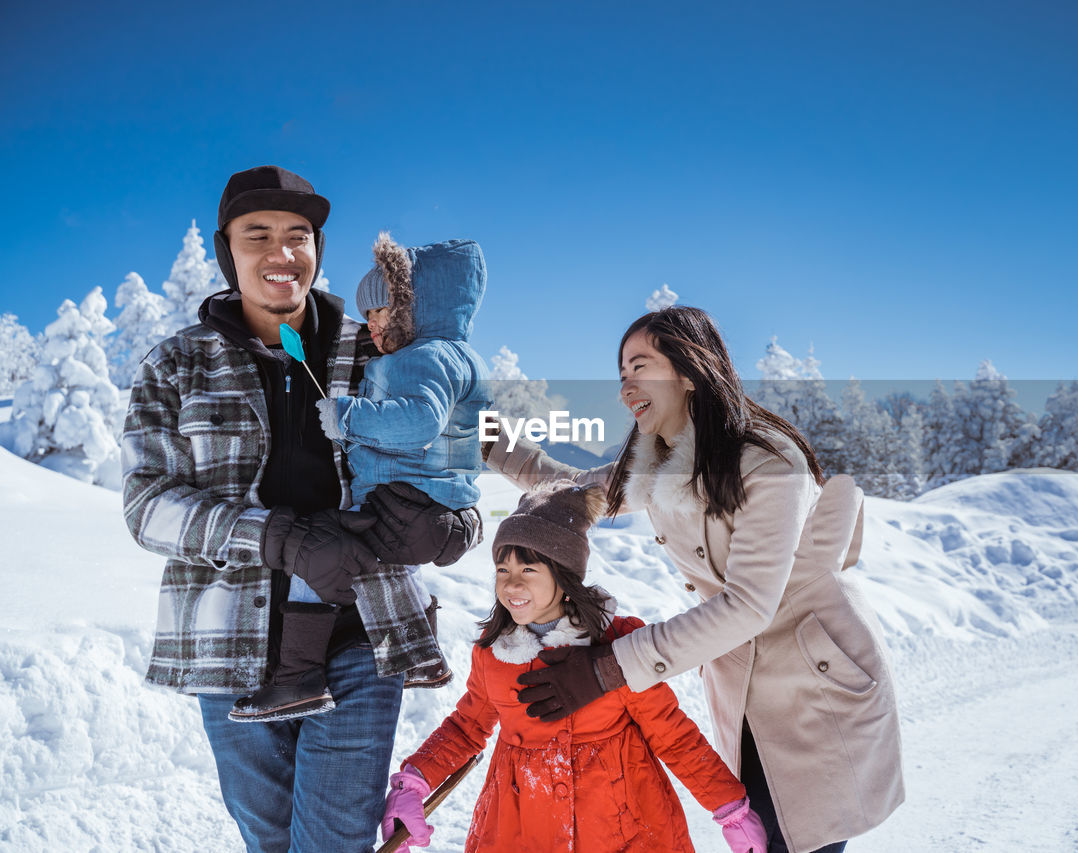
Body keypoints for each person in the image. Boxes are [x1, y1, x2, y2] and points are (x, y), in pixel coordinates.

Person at [482, 306, 905, 853]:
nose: (625, 388)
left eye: (640, 368)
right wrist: (484, 436)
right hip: (749, 690)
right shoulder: (659, 467)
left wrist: (610, 669)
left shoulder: (769, 462)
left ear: (688, 371)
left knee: (802, 839)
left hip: (817, 682)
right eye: (621, 376)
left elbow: (749, 604)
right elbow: (568, 488)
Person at [122, 165, 445, 852]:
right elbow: (148, 505)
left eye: (298, 235)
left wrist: (448, 525)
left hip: (360, 634)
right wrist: (281, 539)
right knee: (270, 841)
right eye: (257, 234)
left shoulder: (376, 351)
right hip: (230, 647)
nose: (281, 252)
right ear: (226, 250)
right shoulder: (174, 365)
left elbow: (455, 459)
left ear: (318, 250)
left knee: (330, 842)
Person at [379, 480, 768, 853]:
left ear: (564, 576)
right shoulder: (494, 656)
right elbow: (466, 728)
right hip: (521, 829)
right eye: (503, 570)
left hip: (624, 827)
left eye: (528, 571)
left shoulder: (619, 646)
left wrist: (730, 809)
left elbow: (673, 735)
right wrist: (413, 782)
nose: (512, 585)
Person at [231, 233, 491, 721]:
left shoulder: (421, 358)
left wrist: (351, 417)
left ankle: (297, 680)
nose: (370, 324)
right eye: (367, 313)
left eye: (382, 311)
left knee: (322, 551)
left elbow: (418, 423)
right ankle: (423, 656)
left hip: (410, 503)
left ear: (418, 310)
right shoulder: (460, 356)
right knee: (377, 562)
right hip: (430, 509)